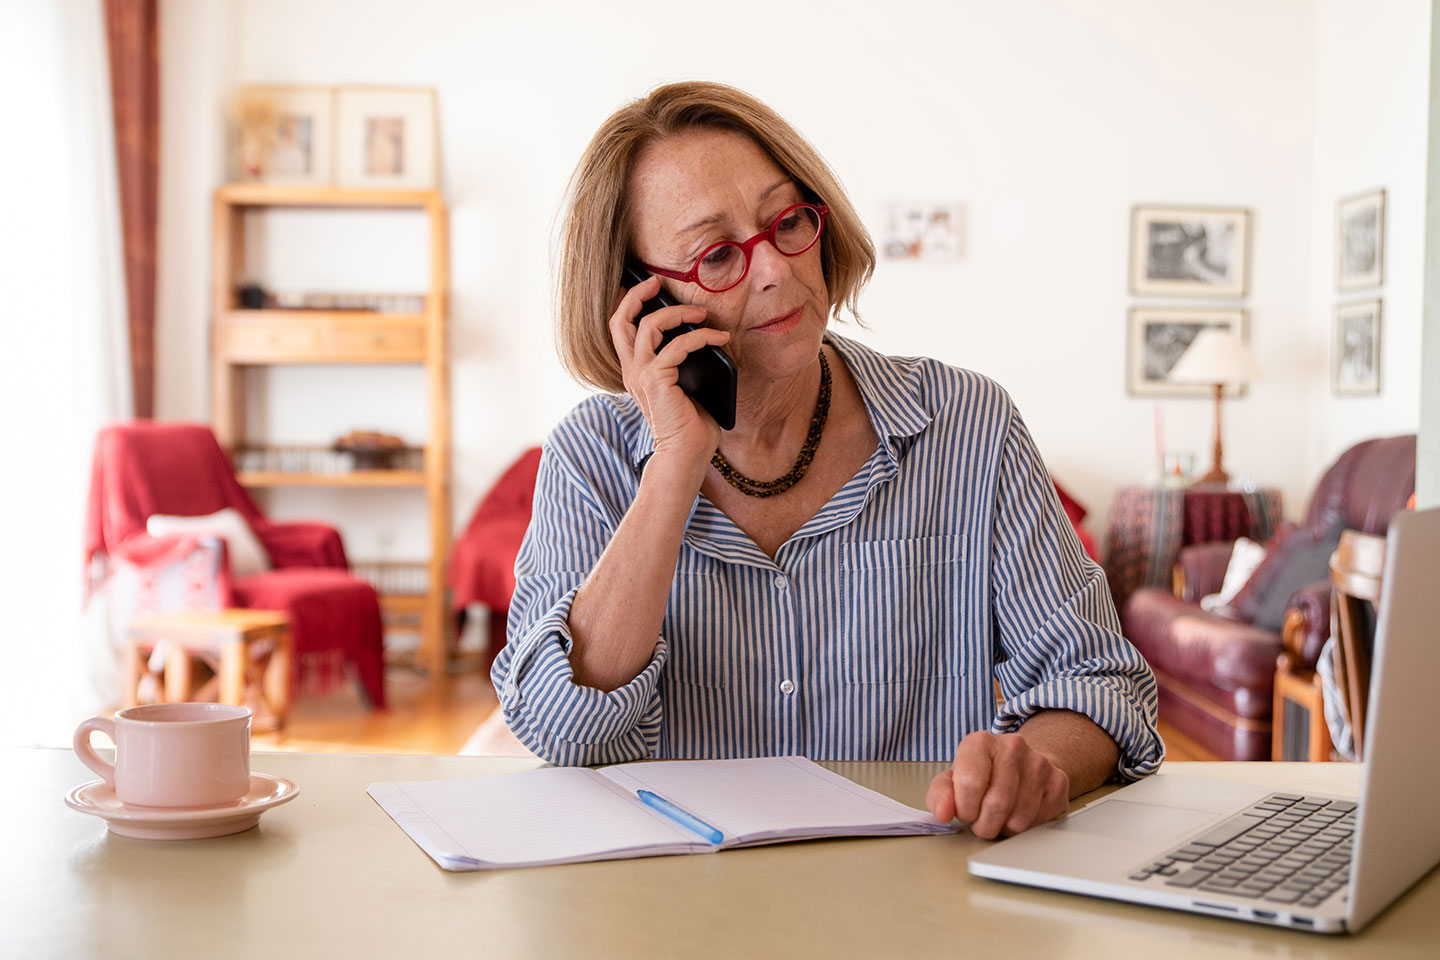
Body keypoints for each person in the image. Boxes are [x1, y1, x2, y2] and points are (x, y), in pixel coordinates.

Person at [492, 81, 1162, 839]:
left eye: (787, 222)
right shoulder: (591, 456)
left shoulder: (968, 425)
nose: (776, 269)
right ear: (640, 300)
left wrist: (1035, 764)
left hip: (915, 903)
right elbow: (559, 730)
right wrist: (676, 463)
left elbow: (1100, 683)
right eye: (716, 255)